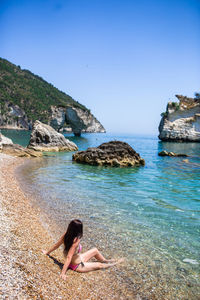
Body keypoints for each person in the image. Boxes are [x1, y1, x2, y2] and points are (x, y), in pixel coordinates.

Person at [42, 219, 124, 280]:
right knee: (100, 265)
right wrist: (63, 273)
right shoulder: (76, 241)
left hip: (79, 258)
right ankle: (115, 264)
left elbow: (56, 245)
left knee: (95, 250)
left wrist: (47, 252)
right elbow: (69, 257)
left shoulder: (66, 235)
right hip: (76, 265)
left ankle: (106, 260)